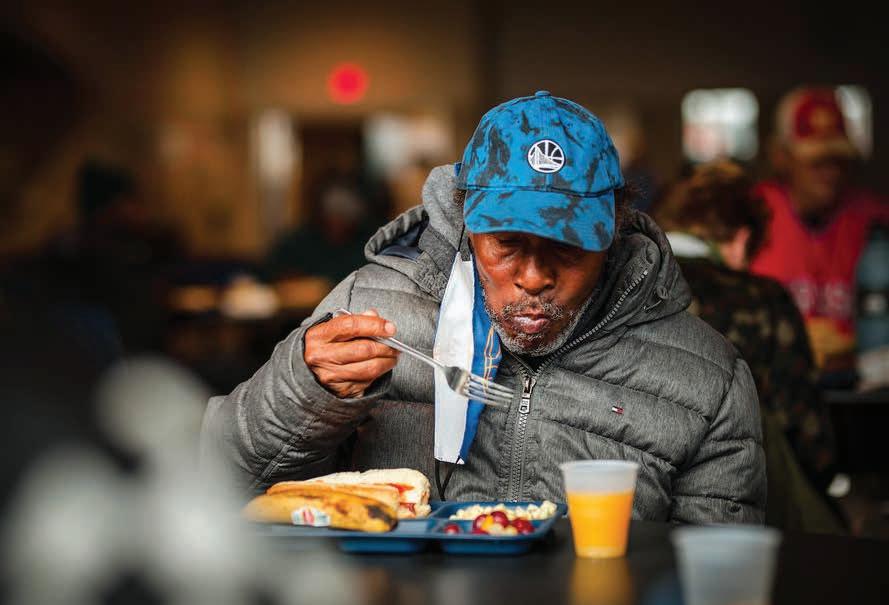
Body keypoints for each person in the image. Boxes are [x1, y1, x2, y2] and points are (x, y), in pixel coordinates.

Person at [202, 91, 765, 524]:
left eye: (568, 248)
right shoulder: (367, 306)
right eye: (507, 244)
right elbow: (218, 484)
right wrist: (305, 391)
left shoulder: (706, 381)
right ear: (465, 222)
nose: (534, 277)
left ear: (613, 233)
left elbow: (713, 575)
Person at [654, 161, 843, 532]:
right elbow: (810, 440)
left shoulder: (622, 291)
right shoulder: (763, 301)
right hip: (740, 519)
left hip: (637, 510)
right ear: (741, 241)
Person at [750, 87, 889, 370]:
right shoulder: (752, 216)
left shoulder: (875, 221)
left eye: (837, 159)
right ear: (780, 155)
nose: (830, 172)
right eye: (816, 160)